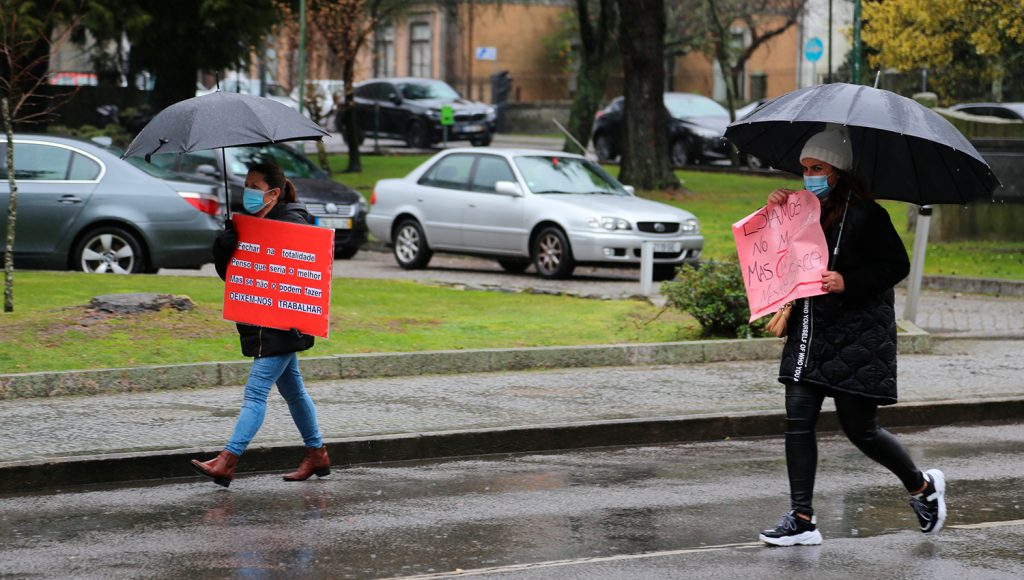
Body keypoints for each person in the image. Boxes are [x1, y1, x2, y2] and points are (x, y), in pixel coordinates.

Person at [758, 127, 947, 546]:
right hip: (810, 331)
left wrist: (848, 281)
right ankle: (802, 518)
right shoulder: (800, 209)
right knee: (798, 421)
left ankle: (922, 488)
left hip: (858, 335)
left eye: (818, 168)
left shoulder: (867, 215)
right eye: (805, 168)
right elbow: (777, 256)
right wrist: (774, 214)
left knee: (860, 429)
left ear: (838, 171)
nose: (809, 175)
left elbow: (895, 265)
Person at [190, 162, 330, 488]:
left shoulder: (291, 222)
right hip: (262, 323)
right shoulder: (253, 224)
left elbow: (296, 272)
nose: (248, 191)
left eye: (255, 185)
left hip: (283, 326)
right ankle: (317, 453)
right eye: (247, 184)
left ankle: (228, 460)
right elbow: (235, 278)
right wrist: (225, 245)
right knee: (294, 391)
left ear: (274, 192)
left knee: (255, 394)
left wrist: (252, 236)